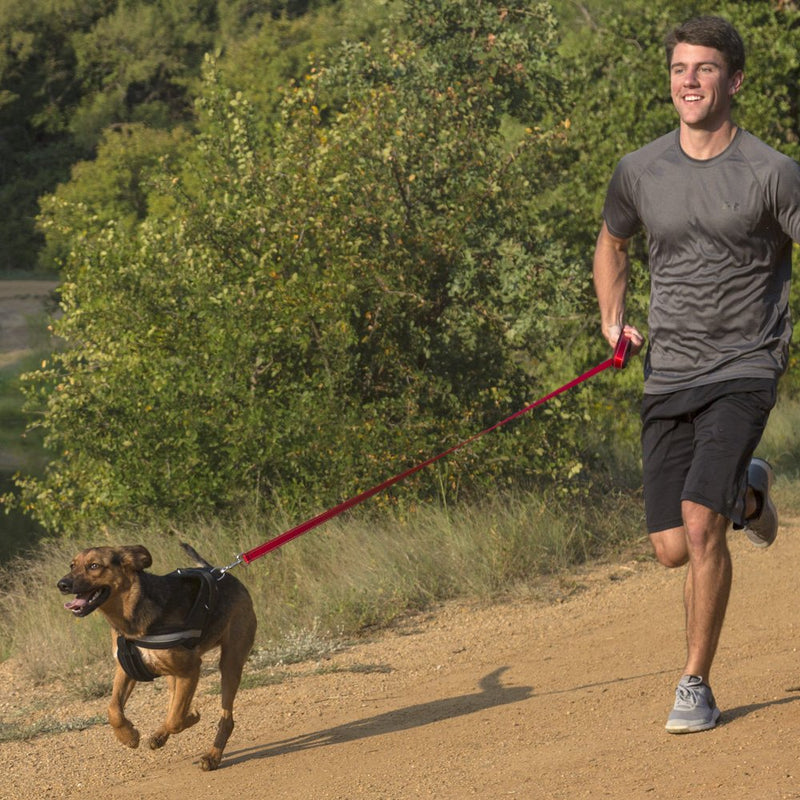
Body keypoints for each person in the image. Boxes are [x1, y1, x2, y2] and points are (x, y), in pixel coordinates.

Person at [593, 15, 800, 733]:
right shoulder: (640, 169)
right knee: (671, 549)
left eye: (705, 69)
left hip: (747, 363)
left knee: (698, 524)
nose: (689, 80)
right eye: (681, 68)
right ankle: (748, 495)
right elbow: (612, 242)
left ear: (734, 80)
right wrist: (612, 318)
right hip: (668, 369)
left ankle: (694, 685)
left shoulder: (772, 172)